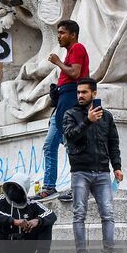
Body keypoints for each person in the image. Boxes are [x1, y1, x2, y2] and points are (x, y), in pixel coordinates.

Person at [62, 78, 123, 253]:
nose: (80, 95)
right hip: (80, 171)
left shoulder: (107, 117)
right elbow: (70, 136)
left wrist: (117, 167)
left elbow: (113, 143)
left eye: (84, 92)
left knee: (108, 213)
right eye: (78, 92)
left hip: (103, 172)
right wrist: (87, 121)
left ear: (94, 94)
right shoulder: (70, 114)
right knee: (79, 213)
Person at [34, 19, 89, 202]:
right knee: (49, 146)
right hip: (62, 104)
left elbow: (74, 73)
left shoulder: (77, 48)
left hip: (70, 104)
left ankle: (78, 187)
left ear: (73, 35)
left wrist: (57, 62)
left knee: (71, 145)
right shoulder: (70, 53)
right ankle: (49, 186)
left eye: (62, 33)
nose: (59, 36)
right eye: (58, 33)